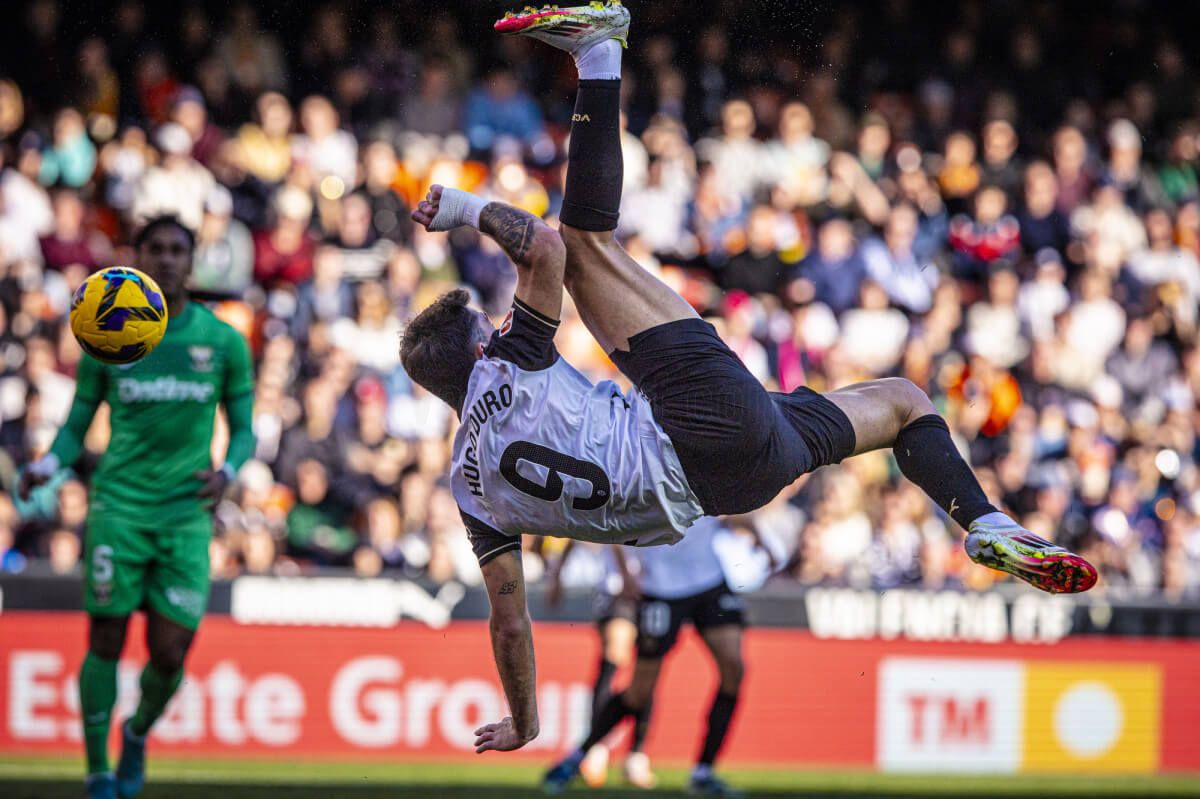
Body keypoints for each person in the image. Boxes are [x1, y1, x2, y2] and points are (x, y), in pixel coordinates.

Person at [400, 2, 1097, 757]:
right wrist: (465, 208)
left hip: (729, 487)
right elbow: (544, 249)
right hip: (692, 420)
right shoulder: (505, 366)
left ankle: (986, 524)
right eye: (486, 328)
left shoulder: (468, 491)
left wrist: (526, 719)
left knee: (901, 404)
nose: (497, 329)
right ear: (476, 357)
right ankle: (600, 53)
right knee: (584, 244)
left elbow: (508, 618)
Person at [20, 215, 255, 799]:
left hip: (184, 515)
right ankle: (98, 770)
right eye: (157, 249)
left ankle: (139, 729)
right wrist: (48, 464)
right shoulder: (107, 333)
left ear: (192, 261)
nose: (169, 259)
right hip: (119, 509)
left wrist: (227, 471)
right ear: (138, 257)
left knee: (172, 651)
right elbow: (77, 425)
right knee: (105, 639)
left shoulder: (222, 340)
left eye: (179, 250)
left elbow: (246, 430)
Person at [545, 517, 750, 796]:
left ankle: (703, 771)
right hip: (660, 587)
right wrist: (625, 571)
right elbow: (612, 519)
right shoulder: (645, 475)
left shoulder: (712, 474)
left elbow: (729, 507)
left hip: (709, 581)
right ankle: (578, 756)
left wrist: (760, 535)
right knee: (639, 692)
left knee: (734, 669)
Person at [544, 540, 654, 789]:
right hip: (617, 591)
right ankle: (596, 750)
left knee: (647, 670)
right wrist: (625, 573)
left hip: (653, 590)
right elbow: (589, 532)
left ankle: (636, 754)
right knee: (614, 658)